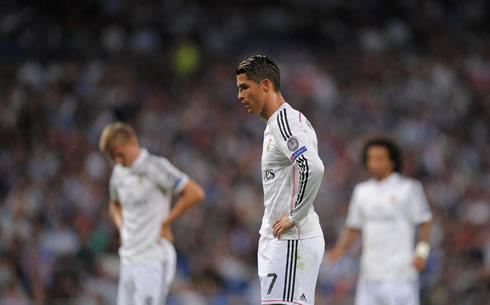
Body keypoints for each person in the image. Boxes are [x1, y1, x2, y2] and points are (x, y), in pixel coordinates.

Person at [236, 55, 325, 305]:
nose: (240, 96)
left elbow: (313, 167)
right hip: (280, 241)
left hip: (292, 242)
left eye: (244, 87)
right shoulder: (277, 124)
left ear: (265, 85)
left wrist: (294, 216)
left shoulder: (284, 122)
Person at [99, 122, 205, 305]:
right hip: (128, 258)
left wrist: (166, 222)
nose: (117, 160)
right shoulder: (118, 173)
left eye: (119, 154)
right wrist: (121, 226)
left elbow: (194, 193)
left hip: (152, 257)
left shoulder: (155, 167)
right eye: (112, 157)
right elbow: (114, 204)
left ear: (133, 142)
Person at [328, 136, 433, 305]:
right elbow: (353, 227)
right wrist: (339, 250)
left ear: (392, 161)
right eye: (370, 159)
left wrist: (421, 253)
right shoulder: (361, 191)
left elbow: (425, 222)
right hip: (369, 274)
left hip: (400, 273)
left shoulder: (409, 189)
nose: (373, 163)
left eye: (379, 158)